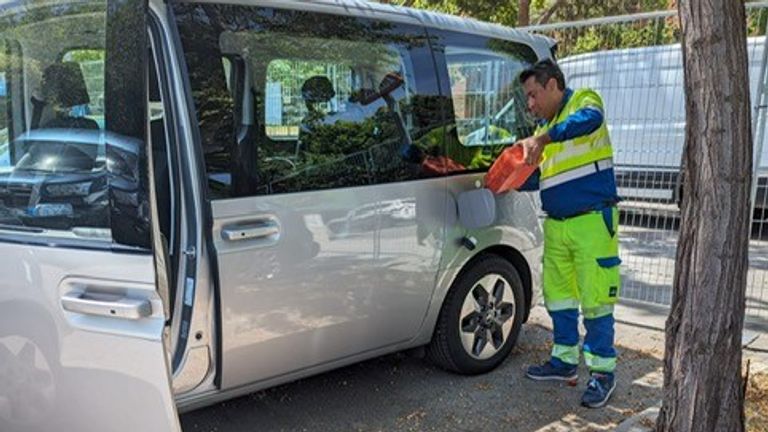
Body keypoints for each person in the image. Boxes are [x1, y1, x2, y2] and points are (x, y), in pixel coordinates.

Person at [514, 59, 621, 408]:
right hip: (557, 224)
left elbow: (592, 120)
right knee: (558, 298)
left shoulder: (582, 103)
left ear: (553, 85)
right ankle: (563, 363)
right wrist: (507, 174)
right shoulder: (547, 128)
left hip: (592, 222)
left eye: (533, 95)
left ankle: (603, 374)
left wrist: (543, 138)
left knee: (595, 301)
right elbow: (542, 178)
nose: (530, 104)